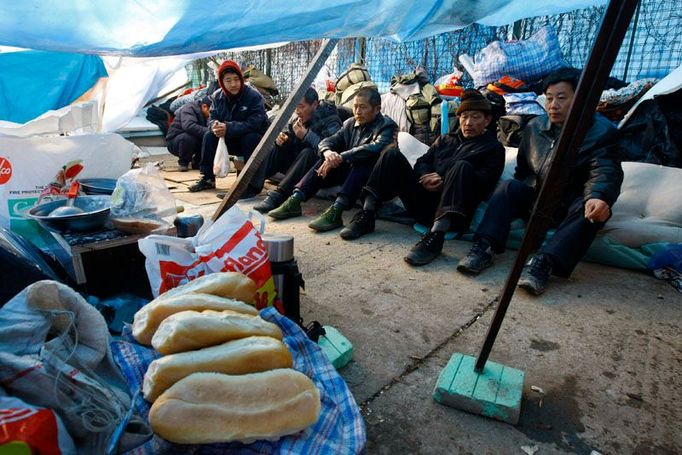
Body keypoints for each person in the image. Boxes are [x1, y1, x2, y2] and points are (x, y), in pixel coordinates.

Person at [457, 67, 624, 295]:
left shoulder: (601, 131)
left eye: (561, 98)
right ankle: (484, 247)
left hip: (569, 207)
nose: (553, 104)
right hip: (536, 200)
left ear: (580, 98)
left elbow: (605, 170)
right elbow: (523, 169)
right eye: (549, 98)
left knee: (592, 207)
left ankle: (543, 262)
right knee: (508, 187)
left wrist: (598, 196)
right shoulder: (535, 127)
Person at [340, 89, 506, 267]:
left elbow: (484, 184)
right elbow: (422, 162)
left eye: (475, 117)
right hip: (423, 205)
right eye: (464, 117)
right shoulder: (445, 140)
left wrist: (444, 179)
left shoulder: (493, 149)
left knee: (462, 166)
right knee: (392, 156)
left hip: (454, 215)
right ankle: (367, 214)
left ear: (487, 120)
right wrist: (425, 175)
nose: (468, 123)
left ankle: (435, 239)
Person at [267, 87, 398, 232]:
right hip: (349, 175)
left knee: (363, 161)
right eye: (355, 107)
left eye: (363, 107)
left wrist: (340, 156)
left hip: (373, 181)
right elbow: (328, 141)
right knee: (325, 159)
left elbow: (373, 148)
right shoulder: (349, 123)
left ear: (377, 109)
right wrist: (328, 153)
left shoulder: (387, 126)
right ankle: (295, 199)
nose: (358, 112)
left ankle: (337, 210)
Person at [250, 87, 343, 213]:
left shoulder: (331, 120)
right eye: (295, 107)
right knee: (276, 149)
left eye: (301, 107)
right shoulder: (296, 117)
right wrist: (283, 141)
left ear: (314, 105)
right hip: (299, 169)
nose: (297, 111)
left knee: (308, 153)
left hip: (322, 174)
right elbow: (291, 143)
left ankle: (279, 195)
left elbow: (329, 150)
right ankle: (250, 186)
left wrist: (306, 135)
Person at [189, 60, 268, 193]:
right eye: (228, 80)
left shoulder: (253, 96)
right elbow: (211, 118)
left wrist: (229, 127)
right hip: (229, 140)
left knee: (251, 138)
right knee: (209, 136)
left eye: (237, 79)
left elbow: (256, 123)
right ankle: (207, 178)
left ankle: (252, 184)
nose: (233, 84)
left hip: (251, 141)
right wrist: (215, 126)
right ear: (222, 82)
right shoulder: (217, 97)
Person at [165, 96, 211, 171]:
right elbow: (189, 126)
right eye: (211, 111)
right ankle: (183, 162)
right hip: (175, 141)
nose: (211, 114)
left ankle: (198, 162)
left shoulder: (208, 112)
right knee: (188, 138)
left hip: (194, 139)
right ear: (204, 107)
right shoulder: (189, 108)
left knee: (208, 138)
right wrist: (210, 131)